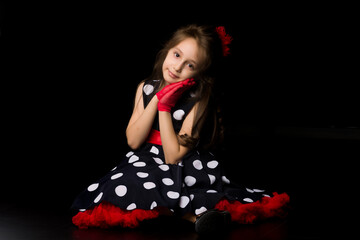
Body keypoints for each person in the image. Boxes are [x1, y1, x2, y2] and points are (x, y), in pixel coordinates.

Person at [71, 24, 290, 234]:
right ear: (167, 50)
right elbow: (134, 142)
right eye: (176, 55)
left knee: (176, 190)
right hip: (145, 160)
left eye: (190, 65)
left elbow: (173, 157)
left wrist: (166, 108)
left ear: (199, 73)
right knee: (124, 184)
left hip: (183, 164)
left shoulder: (199, 99)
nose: (177, 67)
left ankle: (190, 214)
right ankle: (194, 219)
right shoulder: (145, 87)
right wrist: (158, 98)